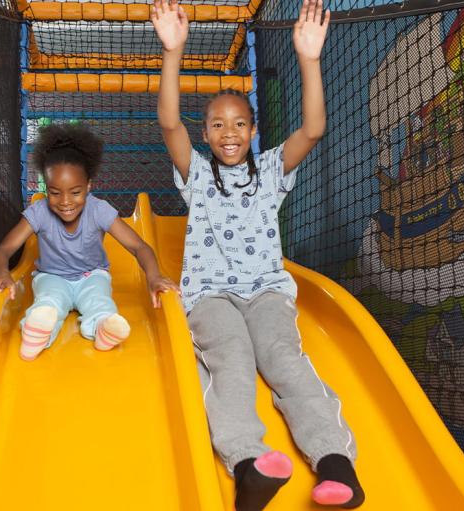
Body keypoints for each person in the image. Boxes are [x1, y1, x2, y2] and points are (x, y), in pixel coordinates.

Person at [152, 0, 364, 509]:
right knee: (233, 362)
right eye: (219, 126)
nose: (230, 133)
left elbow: (312, 130)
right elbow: (168, 124)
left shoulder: (271, 171)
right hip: (211, 296)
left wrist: (308, 60)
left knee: (285, 361)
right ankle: (249, 466)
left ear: (253, 131)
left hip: (267, 291)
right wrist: (172, 52)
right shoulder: (197, 176)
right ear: (206, 135)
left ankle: (336, 464)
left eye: (240, 124)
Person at [0, 123, 179, 361]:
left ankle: (103, 330)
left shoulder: (99, 210)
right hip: (53, 276)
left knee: (99, 302)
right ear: (46, 189)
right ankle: (36, 334)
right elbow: (3, 249)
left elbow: (138, 247)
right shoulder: (39, 212)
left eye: (75, 192)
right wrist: (2, 272)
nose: (65, 201)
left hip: (92, 276)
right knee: (49, 302)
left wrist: (154, 276)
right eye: (55, 193)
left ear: (88, 186)